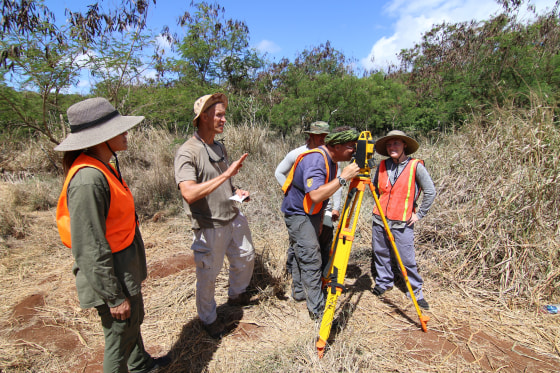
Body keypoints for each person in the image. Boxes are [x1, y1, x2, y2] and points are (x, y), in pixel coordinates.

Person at [55, 98, 170, 373]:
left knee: (130, 326)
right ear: (100, 137)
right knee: (119, 338)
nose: (126, 133)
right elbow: (89, 247)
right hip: (111, 275)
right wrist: (113, 296)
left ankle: (141, 364)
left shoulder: (102, 167)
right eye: (119, 129)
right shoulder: (88, 180)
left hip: (121, 268)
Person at [174, 93, 255, 339]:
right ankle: (208, 319)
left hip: (233, 215)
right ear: (204, 117)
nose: (224, 119)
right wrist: (226, 174)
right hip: (209, 226)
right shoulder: (188, 152)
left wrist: (236, 191)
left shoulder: (218, 146)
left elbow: (224, 182)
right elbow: (188, 193)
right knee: (208, 275)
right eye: (219, 115)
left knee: (246, 256)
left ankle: (236, 295)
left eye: (224, 114)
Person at [281, 127, 360, 319]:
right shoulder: (316, 159)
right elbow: (315, 194)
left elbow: (323, 192)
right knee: (311, 257)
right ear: (337, 146)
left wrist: (317, 220)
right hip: (298, 212)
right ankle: (317, 309)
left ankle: (299, 293)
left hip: (311, 212)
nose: (354, 151)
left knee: (305, 252)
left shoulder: (332, 160)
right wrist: (344, 178)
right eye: (351, 147)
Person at [370, 130, 436, 310]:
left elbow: (430, 191)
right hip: (380, 219)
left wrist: (419, 214)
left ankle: (415, 291)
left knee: (406, 259)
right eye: (389, 144)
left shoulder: (416, 166)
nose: (392, 147)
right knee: (380, 252)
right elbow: (376, 190)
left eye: (396, 144)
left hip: (403, 221)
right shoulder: (382, 165)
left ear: (404, 145)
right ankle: (384, 282)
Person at [274, 121, 342, 275]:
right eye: (320, 137)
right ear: (311, 136)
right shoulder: (297, 154)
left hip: (324, 207)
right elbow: (279, 172)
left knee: (324, 241)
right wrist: (289, 190)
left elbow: (337, 182)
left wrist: (336, 207)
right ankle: (293, 274)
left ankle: (321, 275)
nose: (323, 140)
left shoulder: (331, 156)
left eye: (326, 136)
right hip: (300, 208)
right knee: (299, 243)